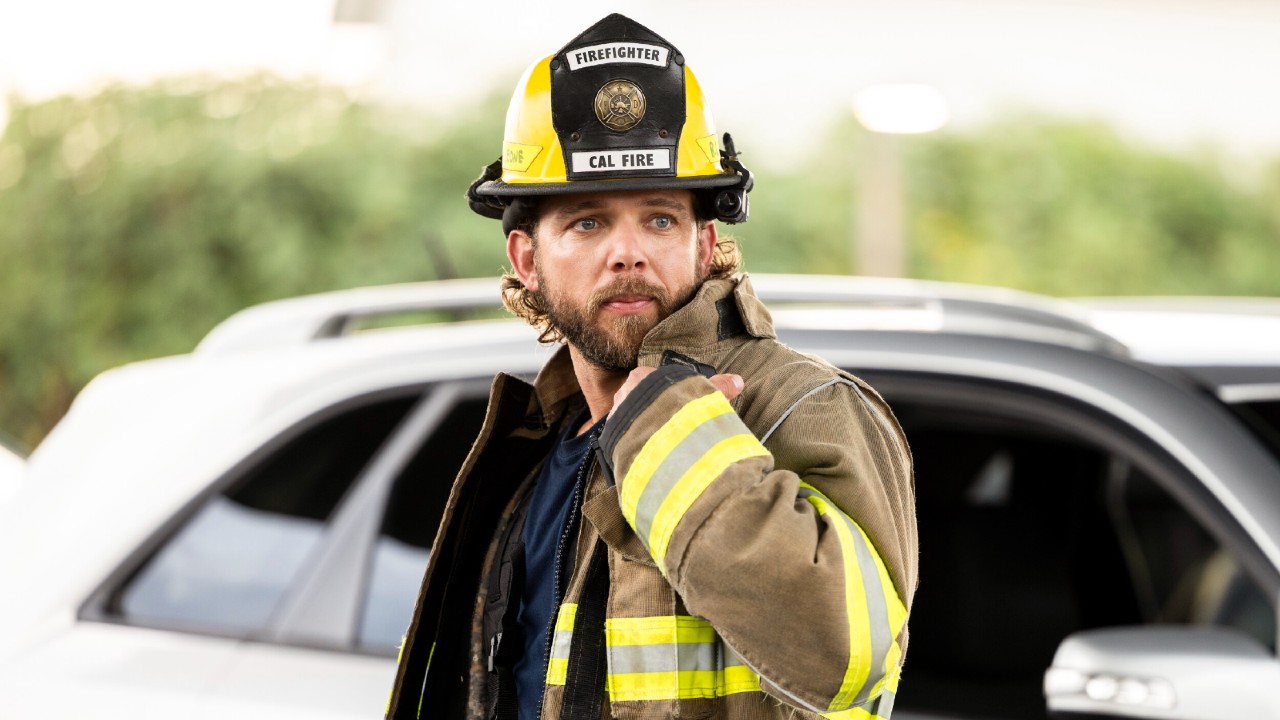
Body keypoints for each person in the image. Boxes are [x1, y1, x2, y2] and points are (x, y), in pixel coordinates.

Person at [386, 13, 917, 720]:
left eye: (661, 219)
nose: (628, 252)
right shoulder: (539, 444)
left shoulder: (804, 408)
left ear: (705, 244)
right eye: (588, 222)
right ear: (526, 260)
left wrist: (676, 445)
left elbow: (848, 663)